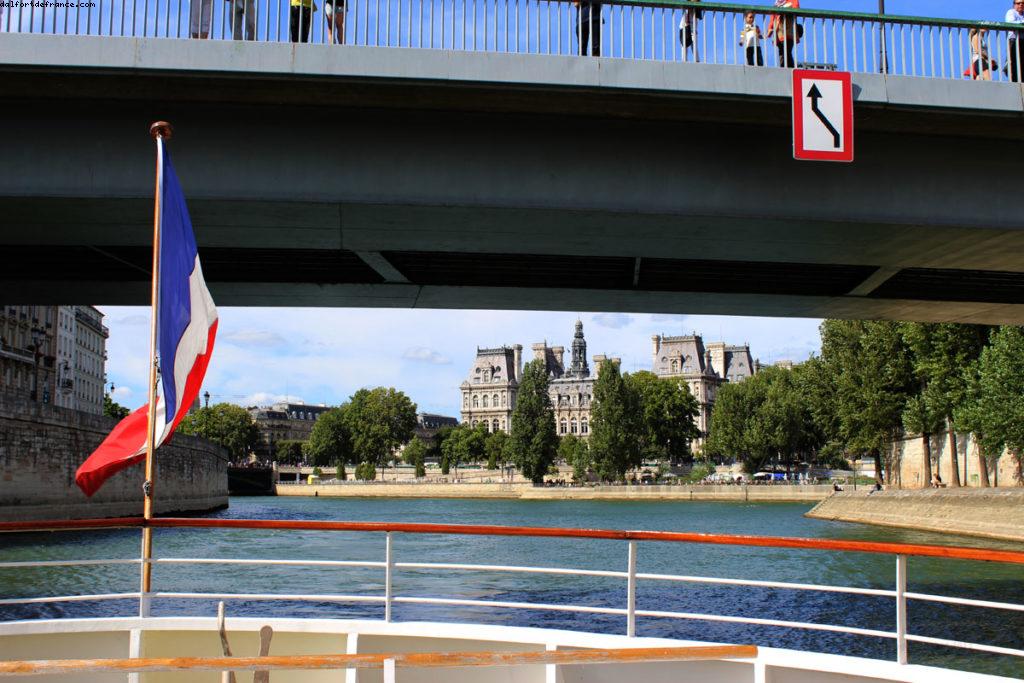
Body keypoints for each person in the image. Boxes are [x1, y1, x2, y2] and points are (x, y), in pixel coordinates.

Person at [767, 0, 800, 68]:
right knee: (782, 52)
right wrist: (770, 28)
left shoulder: (792, 1)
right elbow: (772, 18)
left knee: (787, 51)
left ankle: (790, 69)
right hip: (779, 33)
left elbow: (796, 8)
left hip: (789, 31)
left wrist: (786, 8)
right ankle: (783, 68)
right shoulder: (776, 4)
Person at [1007, 1, 1024, 82]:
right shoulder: (1011, 12)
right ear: (1014, 5)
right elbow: (1010, 23)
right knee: (1015, 62)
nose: (1021, 4)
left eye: (1023, 3)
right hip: (1014, 40)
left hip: (1022, 40)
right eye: (1018, 3)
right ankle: (1015, 81)